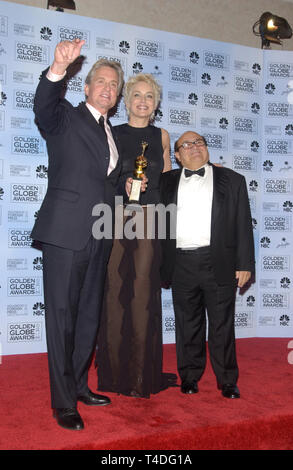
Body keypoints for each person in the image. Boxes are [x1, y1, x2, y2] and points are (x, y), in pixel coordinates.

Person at [31, 38, 124, 430]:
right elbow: (43, 107)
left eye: (114, 85)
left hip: (100, 238)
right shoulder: (66, 117)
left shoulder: (112, 134)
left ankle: (80, 385)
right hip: (65, 234)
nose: (107, 88)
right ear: (85, 87)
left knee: (88, 318)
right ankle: (63, 401)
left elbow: (107, 186)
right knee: (63, 318)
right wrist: (57, 69)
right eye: (101, 81)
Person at [160, 131, 255, 399]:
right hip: (181, 263)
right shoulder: (165, 182)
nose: (194, 148)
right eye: (186, 145)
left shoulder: (233, 180)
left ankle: (227, 380)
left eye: (199, 142)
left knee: (222, 325)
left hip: (220, 263)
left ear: (207, 149)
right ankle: (189, 377)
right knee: (187, 325)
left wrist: (245, 262)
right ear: (176, 156)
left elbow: (243, 225)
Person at [96, 73, 173, 398]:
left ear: (156, 104)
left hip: (151, 218)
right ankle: (113, 375)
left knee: (143, 295)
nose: (143, 101)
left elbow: (169, 181)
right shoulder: (110, 132)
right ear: (126, 101)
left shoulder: (162, 136)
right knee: (114, 292)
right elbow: (99, 176)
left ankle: (143, 375)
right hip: (114, 217)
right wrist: (122, 186)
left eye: (150, 97)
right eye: (137, 95)